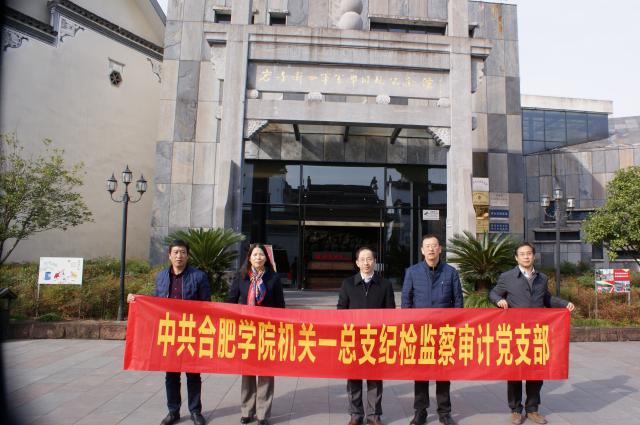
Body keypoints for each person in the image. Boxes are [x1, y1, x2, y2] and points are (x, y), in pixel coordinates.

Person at [489, 242, 575, 425]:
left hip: (537, 332)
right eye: (522, 254)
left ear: (533, 256)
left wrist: (564, 304)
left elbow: (547, 298)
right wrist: (499, 301)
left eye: (529, 253)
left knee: (536, 371)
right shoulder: (507, 277)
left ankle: (532, 409)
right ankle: (515, 410)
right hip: (516, 332)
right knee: (514, 371)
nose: (526, 257)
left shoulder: (541, 278)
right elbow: (493, 294)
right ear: (516, 258)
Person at [127, 239, 210, 425]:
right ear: (169, 256)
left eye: (183, 252)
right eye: (176, 252)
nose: (179, 256)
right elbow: (155, 302)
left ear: (188, 256)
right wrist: (136, 299)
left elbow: (207, 305)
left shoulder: (199, 277)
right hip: (169, 333)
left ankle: (195, 411)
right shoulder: (162, 277)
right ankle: (173, 412)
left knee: (193, 374)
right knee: (171, 375)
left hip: (191, 332)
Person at [401, 234, 462, 425]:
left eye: (434, 246)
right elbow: (406, 301)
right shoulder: (412, 272)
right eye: (427, 246)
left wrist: (455, 328)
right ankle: (420, 412)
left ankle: (445, 412)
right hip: (420, 332)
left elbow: (458, 302)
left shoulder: (450, 272)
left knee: (443, 373)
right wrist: (409, 328)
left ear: (440, 249)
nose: (431, 249)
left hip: (444, 331)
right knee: (420, 373)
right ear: (422, 250)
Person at [225, 243, 286, 425]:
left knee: (266, 372)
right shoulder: (242, 277)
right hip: (246, 331)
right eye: (255, 255)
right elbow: (231, 300)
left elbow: (280, 306)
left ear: (266, 258)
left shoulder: (273, 278)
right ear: (249, 258)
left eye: (261, 255)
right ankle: (247, 411)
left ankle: (262, 414)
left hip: (267, 331)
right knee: (248, 371)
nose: (258, 258)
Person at [337, 246, 396, 425]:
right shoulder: (348, 284)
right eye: (362, 259)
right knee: (353, 377)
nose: (366, 263)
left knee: (375, 378)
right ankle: (355, 414)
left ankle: (374, 415)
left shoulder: (385, 285)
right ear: (357, 263)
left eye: (369, 259)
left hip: (376, 338)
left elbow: (390, 312)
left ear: (375, 262)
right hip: (353, 338)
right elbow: (341, 310)